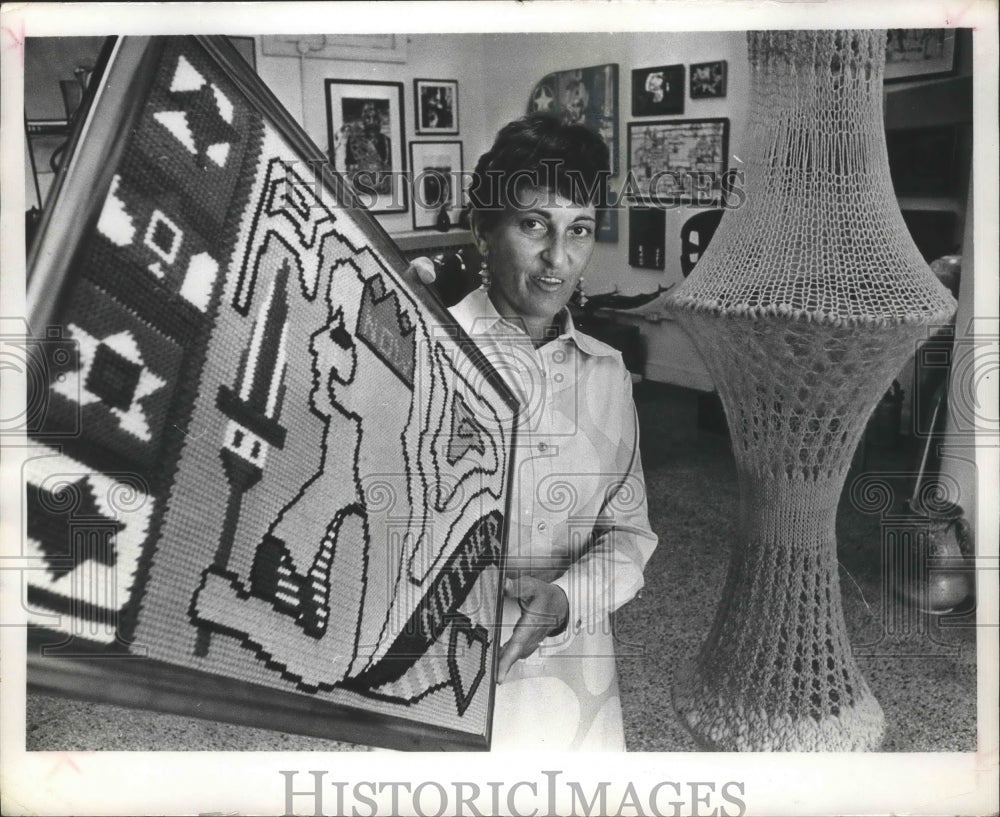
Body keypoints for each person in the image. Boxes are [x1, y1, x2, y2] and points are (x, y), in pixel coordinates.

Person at [443, 114, 659, 750]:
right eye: (533, 225)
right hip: (443, 675)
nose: (556, 260)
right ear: (484, 230)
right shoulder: (423, 354)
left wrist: (566, 598)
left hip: (575, 678)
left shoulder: (606, 374)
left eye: (580, 230)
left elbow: (629, 534)